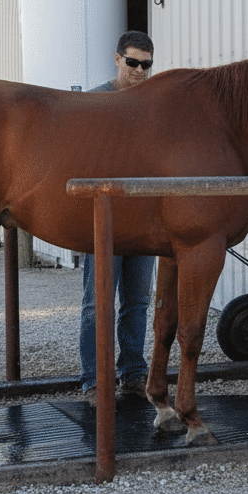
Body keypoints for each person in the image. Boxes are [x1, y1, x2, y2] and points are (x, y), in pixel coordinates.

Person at [79, 30, 157, 402]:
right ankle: (94, 380)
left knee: (138, 301)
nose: (139, 71)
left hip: (143, 220)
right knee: (98, 301)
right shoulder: (95, 104)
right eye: (133, 62)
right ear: (117, 59)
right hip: (105, 219)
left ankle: (133, 373)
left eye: (146, 64)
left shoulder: (155, 106)